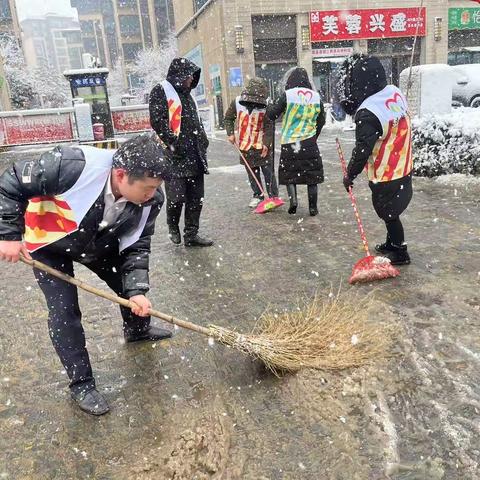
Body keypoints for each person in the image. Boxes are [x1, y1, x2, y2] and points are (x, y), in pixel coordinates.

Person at [0, 134, 173, 415]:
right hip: (50, 241)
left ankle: (137, 330)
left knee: (126, 286)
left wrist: (137, 290)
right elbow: (12, 181)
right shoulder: (71, 166)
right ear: (121, 174)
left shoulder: (150, 200)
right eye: (147, 187)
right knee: (64, 309)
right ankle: (82, 383)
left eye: (156, 187)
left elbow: (137, 244)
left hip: (97, 240)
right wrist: (8, 234)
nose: (151, 194)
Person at [339, 54, 413, 265]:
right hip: (403, 164)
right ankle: (392, 243)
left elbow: (363, 149)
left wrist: (349, 175)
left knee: (388, 212)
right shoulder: (393, 93)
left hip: (387, 170)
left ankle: (400, 251)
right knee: (392, 209)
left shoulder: (368, 112)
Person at [149, 57, 213, 247]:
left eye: (193, 77)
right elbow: (157, 120)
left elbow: (196, 121)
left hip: (195, 155)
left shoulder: (189, 95)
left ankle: (191, 234)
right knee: (176, 198)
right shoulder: (161, 90)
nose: (191, 80)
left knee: (196, 199)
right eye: (188, 77)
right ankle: (173, 225)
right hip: (174, 156)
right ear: (178, 76)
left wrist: (203, 139)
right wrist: (173, 142)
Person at [266, 67, 326, 216]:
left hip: (290, 142)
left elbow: (273, 115)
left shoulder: (287, 95)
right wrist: (314, 135)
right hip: (309, 142)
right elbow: (321, 120)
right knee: (312, 176)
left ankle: (293, 201)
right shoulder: (316, 97)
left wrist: (268, 105)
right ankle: (313, 207)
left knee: (289, 173)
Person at [224, 77, 279, 208]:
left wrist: (266, 144)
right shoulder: (237, 102)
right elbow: (228, 118)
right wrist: (230, 133)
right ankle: (258, 195)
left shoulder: (266, 105)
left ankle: (273, 196)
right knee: (252, 173)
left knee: (268, 172)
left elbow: (269, 126)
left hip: (262, 145)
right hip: (245, 145)